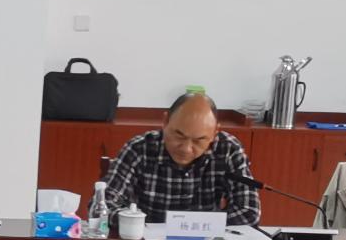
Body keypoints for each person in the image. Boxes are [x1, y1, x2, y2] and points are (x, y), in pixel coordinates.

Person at [100, 91, 259, 228]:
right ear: (165, 122)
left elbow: (249, 211)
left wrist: (187, 226)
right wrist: (140, 224)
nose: (186, 148)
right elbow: (103, 206)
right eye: (179, 135)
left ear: (215, 133)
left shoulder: (228, 149)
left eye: (199, 140)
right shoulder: (139, 149)